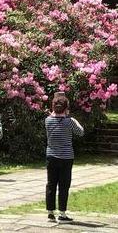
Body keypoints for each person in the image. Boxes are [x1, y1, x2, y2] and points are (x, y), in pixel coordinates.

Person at [45, 95, 84, 223]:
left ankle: (50, 212)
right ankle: (62, 213)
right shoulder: (70, 121)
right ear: (66, 108)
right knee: (64, 185)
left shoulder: (47, 120)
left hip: (51, 156)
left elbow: (53, 116)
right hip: (66, 157)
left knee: (51, 184)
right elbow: (80, 132)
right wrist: (72, 118)